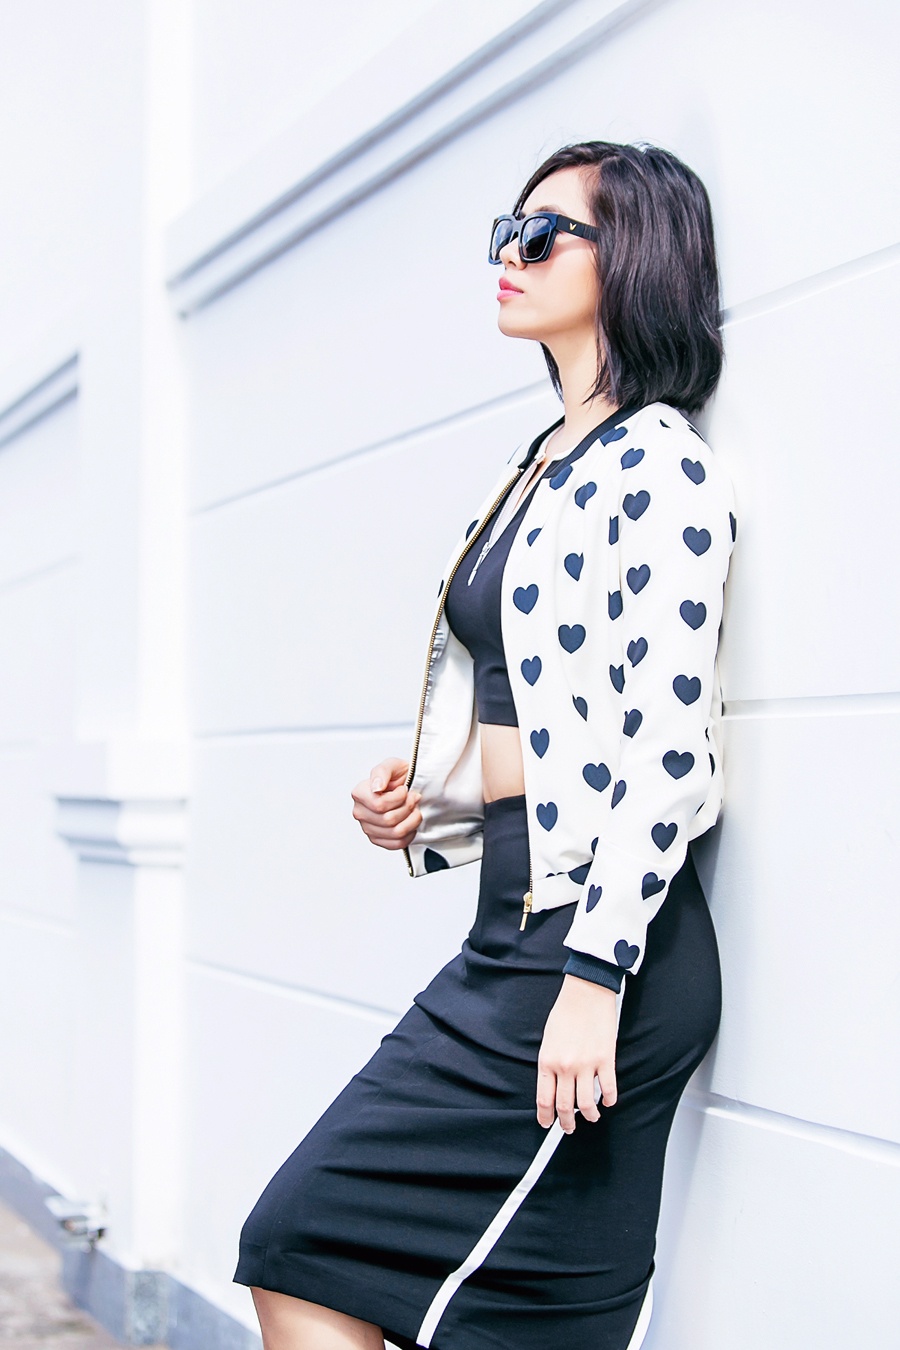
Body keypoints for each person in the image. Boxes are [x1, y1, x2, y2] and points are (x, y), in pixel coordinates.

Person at [234, 139, 738, 1350]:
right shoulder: (539, 465)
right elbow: (553, 724)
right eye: (506, 231)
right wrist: (435, 797)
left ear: (633, 262)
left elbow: (667, 747)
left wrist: (595, 978)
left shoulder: (661, 463)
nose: (510, 255)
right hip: (508, 932)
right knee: (299, 1242)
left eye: (543, 235)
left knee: (314, 1246)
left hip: (601, 948)